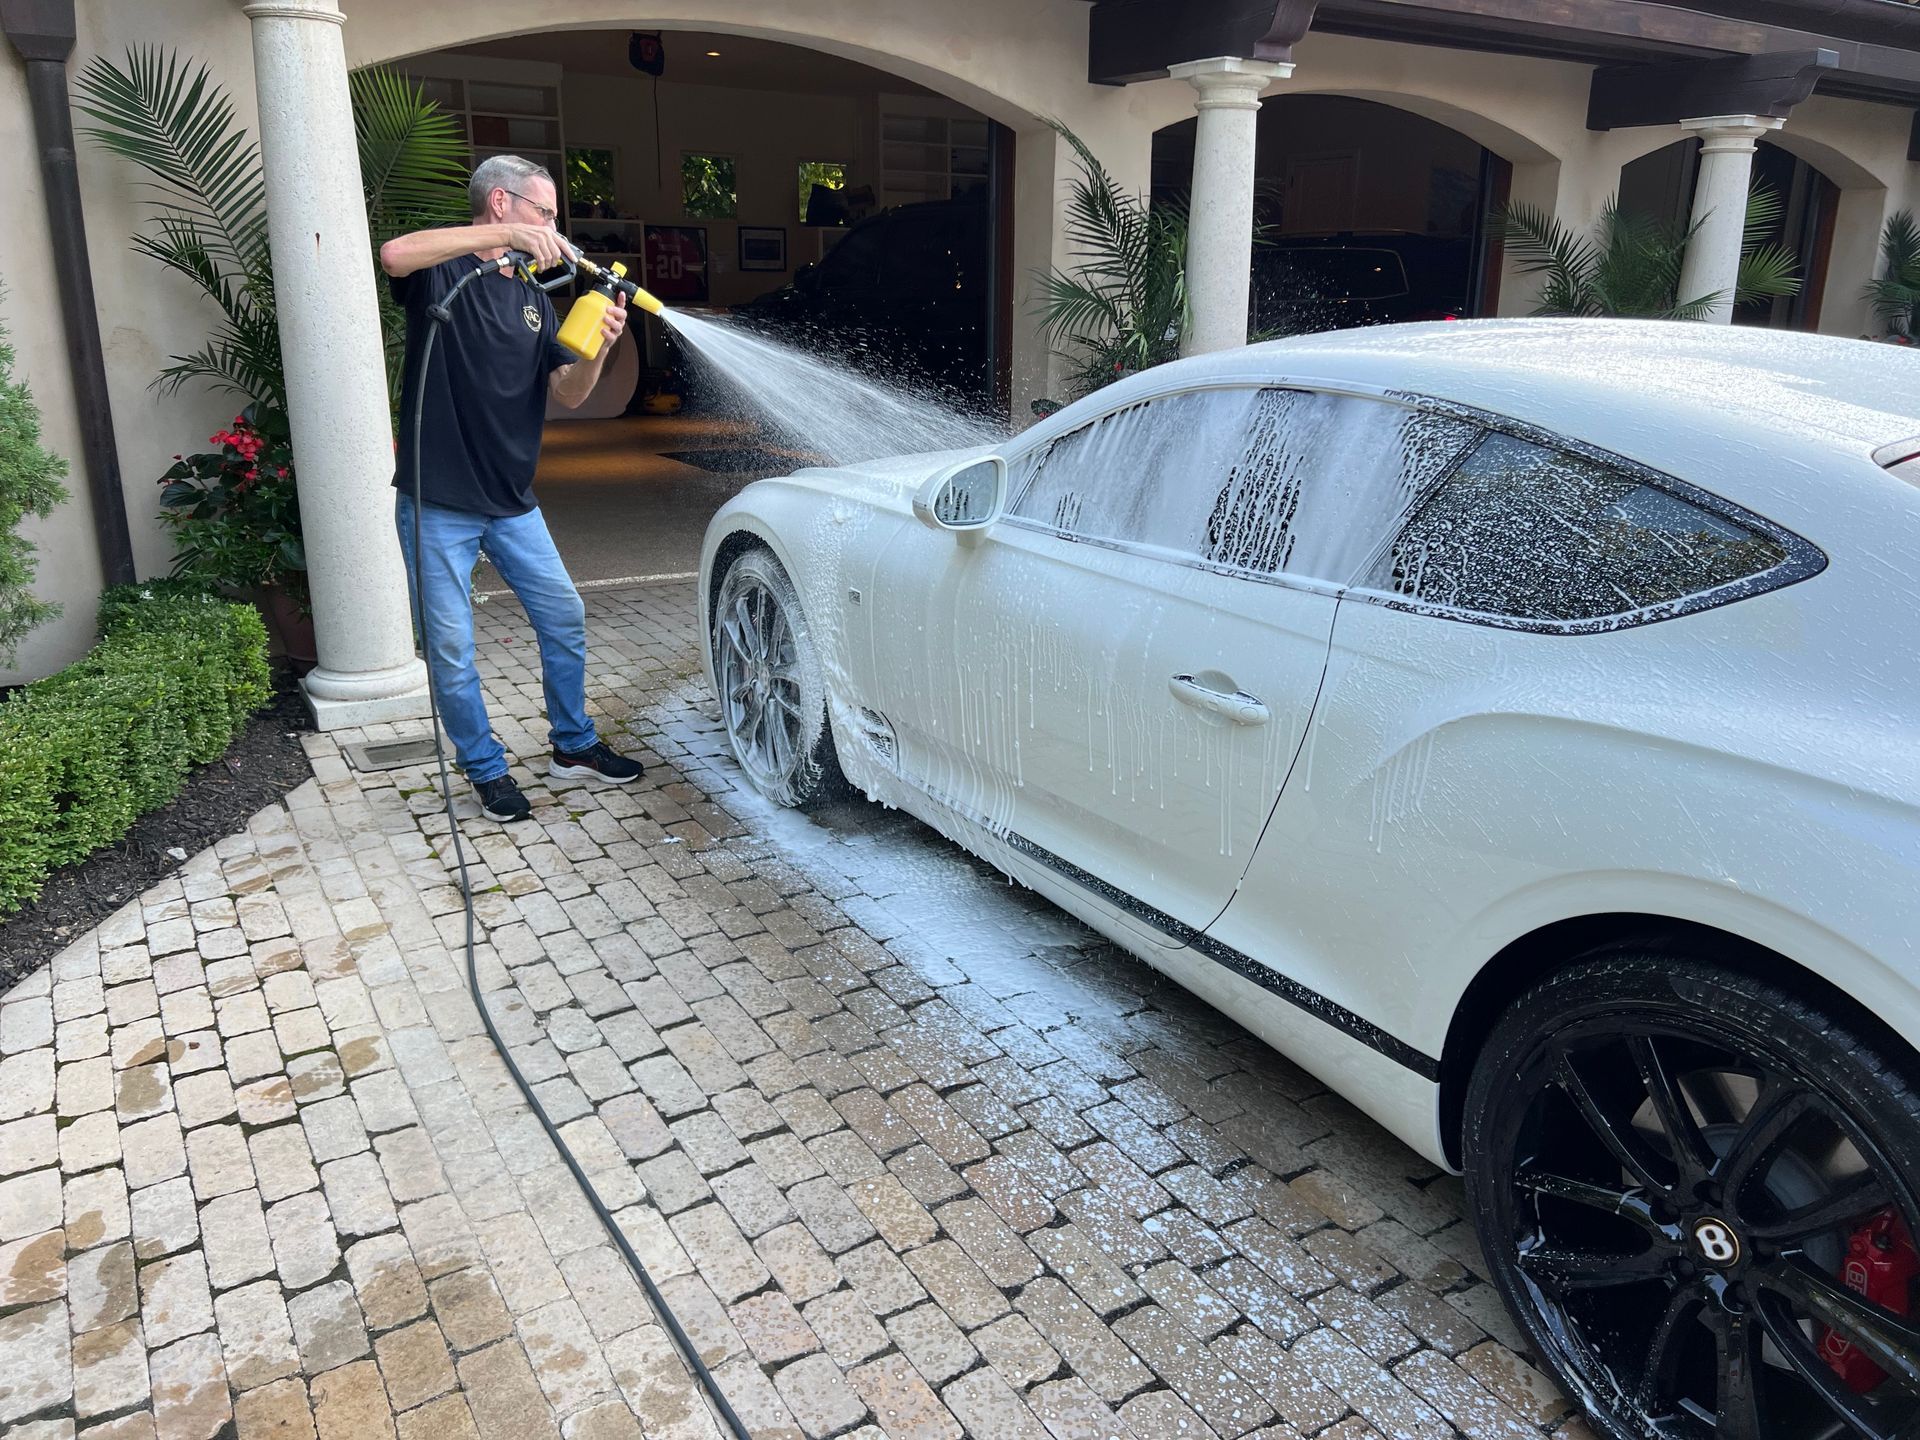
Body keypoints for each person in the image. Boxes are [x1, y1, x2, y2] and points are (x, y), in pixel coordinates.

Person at [380, 154, 642, 823]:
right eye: (544, 212)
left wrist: (600, 349)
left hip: (512, 501)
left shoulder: (529, 294)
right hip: (437, 501)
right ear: (501, 202)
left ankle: (573, 745)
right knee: (451, 647)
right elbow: (393, 253)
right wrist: (501, 242)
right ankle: (485, 769)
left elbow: (567, 393)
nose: (553, 226)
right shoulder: (443, 270)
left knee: (563, 618)